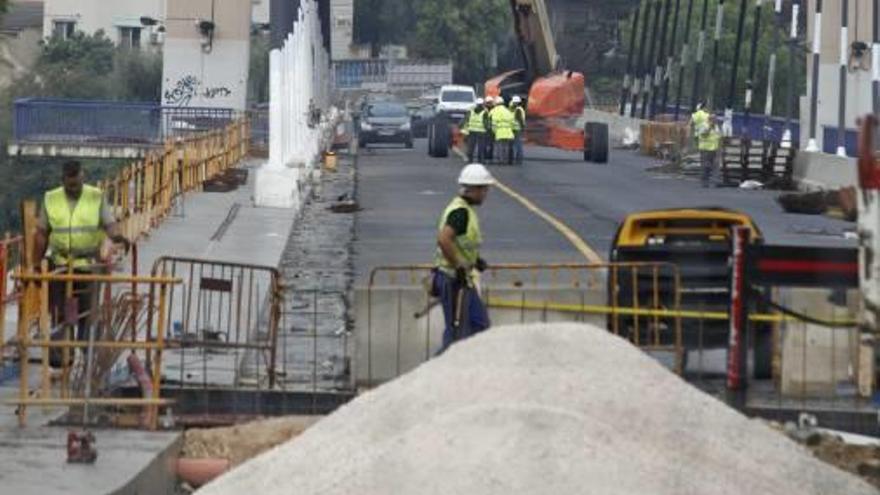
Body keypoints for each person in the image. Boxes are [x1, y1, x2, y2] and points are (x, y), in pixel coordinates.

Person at [34, 160, 129, 344]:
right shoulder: (51, 198)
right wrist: (36, 264)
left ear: (82, 176)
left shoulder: (95, 196)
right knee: (60, 313)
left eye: (77, 183)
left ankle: (87, 355)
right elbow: (41, 234)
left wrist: (117, 237)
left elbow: (109, 224)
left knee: (88, 313)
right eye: (70, 185)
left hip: (89, 266)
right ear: (63, 180)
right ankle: (61, 356)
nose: (74, 188)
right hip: (61, 266)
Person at [432, 163, 494, 352]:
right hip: (452, 278)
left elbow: (460, 243)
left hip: (460, 277)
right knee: (457, 333)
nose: (485, 194)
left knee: (478, 324)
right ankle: (438, 372)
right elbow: (444, 239)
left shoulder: (465, 210)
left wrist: (474, 261)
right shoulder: (460, 213)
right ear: (473, 189)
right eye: (484, 189)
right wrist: (459, 265)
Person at [698, 115, 722, 188]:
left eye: (716, 120)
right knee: (706, 166)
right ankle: (705, 182)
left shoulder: (716, 126)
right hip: (706, 149)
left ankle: (716, 181)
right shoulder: (704, 125)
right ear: (710, 119)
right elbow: (703, 134)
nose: (715, 121)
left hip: (715, 149)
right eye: (714, 119)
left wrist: (720, 147)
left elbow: (718, 136)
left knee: (716, 165)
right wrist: (709, 127)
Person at [490, 96, 515, 165]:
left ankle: (500, 160)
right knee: (506, 147)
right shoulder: (507, 111)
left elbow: (493, 122)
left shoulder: (495, 110)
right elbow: (512, 122)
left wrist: (493, 131)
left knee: (499, 147)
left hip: (499, 132)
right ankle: (505, 160)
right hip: (508, 132)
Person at [463, 98, 489, 162]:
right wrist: (487, 130)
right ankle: (480, 160)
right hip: (481, 131)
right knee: (481, 146)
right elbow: (486, 123)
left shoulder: (471, 111)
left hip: (472, 131)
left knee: (471, 146)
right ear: (482, 104)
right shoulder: (485, 112)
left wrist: (464, 129)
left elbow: (466, 120)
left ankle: (470, 159)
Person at [510, 95, 526, 164]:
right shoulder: (517, 109)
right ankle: (517, 159)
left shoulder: (518, 110)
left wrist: (522, 127)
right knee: (517, 144)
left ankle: (518, 159)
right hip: (515, 128)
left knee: (517, 145)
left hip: (516, 129)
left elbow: (520, 120)